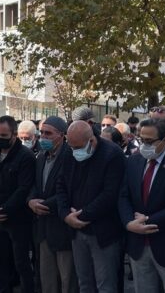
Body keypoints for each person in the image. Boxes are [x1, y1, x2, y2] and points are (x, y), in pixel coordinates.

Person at [119, 118, 165, 292]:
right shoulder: (134, 161)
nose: (143, 144)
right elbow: (123, 196)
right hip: (138, 245)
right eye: (141, 139)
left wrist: (147, 220)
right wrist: (129, 222)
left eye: (149, 141)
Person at [57, 120, 125, 293]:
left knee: (106, 284)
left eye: (78, 147)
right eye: (71, 147)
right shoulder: (69, 152)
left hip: (103, 232)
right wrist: (65, 214)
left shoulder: (112, 155)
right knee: (84, 282)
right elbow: (61, 185)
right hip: (76, 230)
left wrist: (82, 215)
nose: (74, 151)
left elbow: (110, 195)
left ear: (92, 141)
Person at [0, 116, 36, 293]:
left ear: (14, 134)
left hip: (18, 219)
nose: (0, 138)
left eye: (4, 135)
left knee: (21, 263)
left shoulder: (25, 156)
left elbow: (23, 188)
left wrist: (4, 210)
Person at [28, 116, 78, 293]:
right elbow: (35, 184)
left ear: (61, 135)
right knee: (47, 278)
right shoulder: (41, 156)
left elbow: (69, 190)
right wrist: (31, 201)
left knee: (67, 278)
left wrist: (45, 205)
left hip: (62, 227)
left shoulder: (70, 156)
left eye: (48, 133)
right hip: (43, 229)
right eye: (41, 132)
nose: (43, 137)